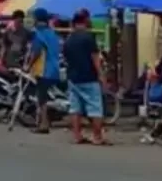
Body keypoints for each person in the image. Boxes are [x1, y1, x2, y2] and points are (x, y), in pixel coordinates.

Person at [63, 8, 107, 144]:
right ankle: (97, 137)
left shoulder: (68, 40)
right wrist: (101, 75)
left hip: (73, 78)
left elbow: (66, 58)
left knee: (75, 108)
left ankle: (77, 136)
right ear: (85, 21)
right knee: (95, 108)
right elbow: (95, 59)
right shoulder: (88, 38)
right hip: (89, 78)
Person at [26, 8, 62, 134]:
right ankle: (42, 121)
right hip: (54, 68)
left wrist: (28, 65)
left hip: (44, 70)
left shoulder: (39, 34)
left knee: (42, 98)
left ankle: (44, 124)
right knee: (43, 96)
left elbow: (36, 52)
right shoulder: (52, 34)